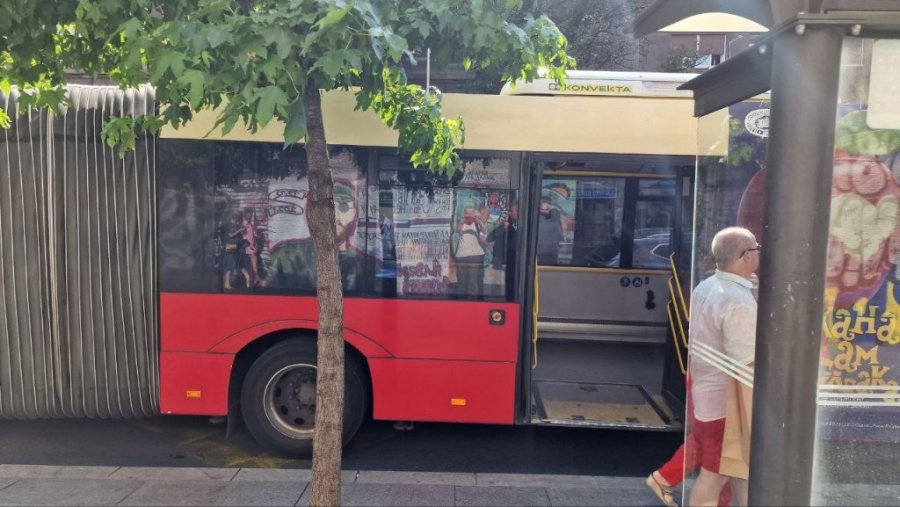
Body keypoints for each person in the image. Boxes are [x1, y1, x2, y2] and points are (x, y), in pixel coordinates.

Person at [683, 226, 759, 507]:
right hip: (726, 407)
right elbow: (747, 361)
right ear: (745, 256)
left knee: (739, 473)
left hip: (707, 398)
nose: (759, 254)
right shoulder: (737, 302)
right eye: (757, 249)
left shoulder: (707, 287)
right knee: (714, 477)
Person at [454, 206, 489, 296]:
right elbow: (456, 230)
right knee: (461, 280)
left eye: (471, 213)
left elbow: (484, 232)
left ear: (474, 214)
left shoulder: (477, 223)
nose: (469, 215)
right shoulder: (462, 223)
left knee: (473, 281)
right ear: (464, 214)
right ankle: (461, 301)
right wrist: (461, 222)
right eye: (467, 213)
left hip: (475, 256)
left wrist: (479, 222)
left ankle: (472, 300)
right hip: (461, 255)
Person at [488, 202, 518, 297]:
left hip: (515, 259)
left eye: (513, 211)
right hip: (502, 258)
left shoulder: (523, 225)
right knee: (499, 283)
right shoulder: (505, 225)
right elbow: (490, 237)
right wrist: (504, 229)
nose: (511, 213)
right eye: (510, 211)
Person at [222, 209, 251, 290]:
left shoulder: (235, 224)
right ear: (234, 218)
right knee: (229, 265)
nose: (238, 221)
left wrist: (242, 232)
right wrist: (239, 230)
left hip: (236, 246)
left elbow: (238, 235)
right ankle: (226, 283)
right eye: (237, 219)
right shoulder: (229, 225)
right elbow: (230, 235)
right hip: (230, 246)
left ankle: (246, 277)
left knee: (239, 263)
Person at [536, 197, 563, 264]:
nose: (545, 212)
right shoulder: (555, 223)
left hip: (541, 253)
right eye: (543, 209)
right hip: (549, 253)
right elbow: (560, 237)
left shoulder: (535, 222)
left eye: (547, 209)